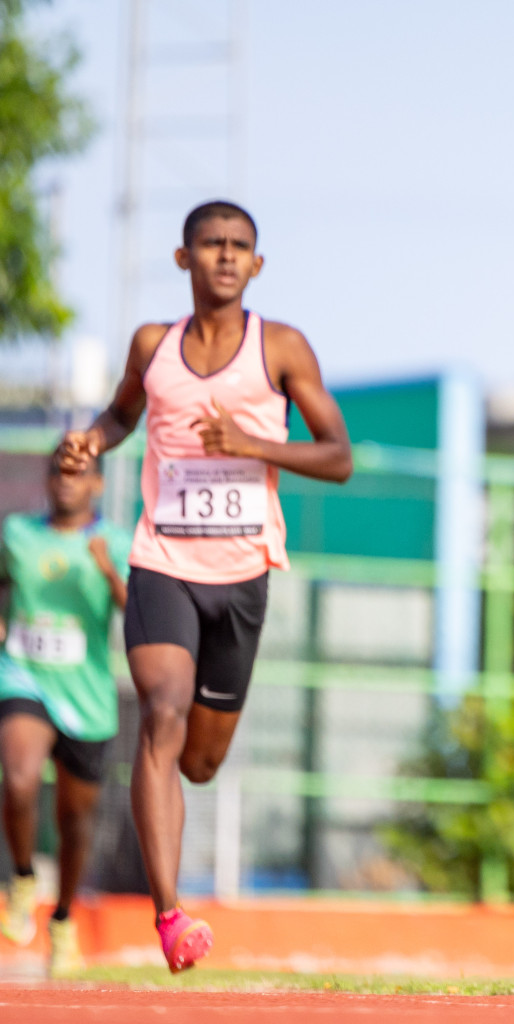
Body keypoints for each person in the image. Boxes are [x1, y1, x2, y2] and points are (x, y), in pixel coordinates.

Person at [55, 200, 352, 973]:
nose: (225, 256)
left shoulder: (281, 347)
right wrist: (94, 439)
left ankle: (180, 814)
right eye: (211, 245)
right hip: (162, 559)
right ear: (183, 259)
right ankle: (169, 914)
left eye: (239, 247)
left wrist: (251, 442)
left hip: (244, 572)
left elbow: (338, 455)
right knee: (161, 711)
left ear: (256, 265)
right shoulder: (153, 345)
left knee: (200, 759)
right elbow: (121, 415)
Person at [0, 455, 131, 976]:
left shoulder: (116, 542)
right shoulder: (17, 532)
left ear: (97, 483)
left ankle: (63, 917)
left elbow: (136, 608)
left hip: (87, 694)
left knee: (76, 820)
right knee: (20, 779)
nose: (66, 481)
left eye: (78, 473)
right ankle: (23, 879)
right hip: (24, 675)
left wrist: (105, 568)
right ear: (48, 480)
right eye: (58, 471)